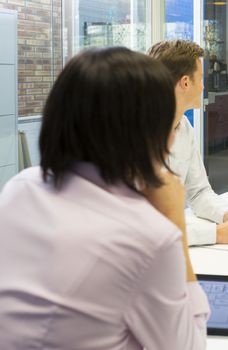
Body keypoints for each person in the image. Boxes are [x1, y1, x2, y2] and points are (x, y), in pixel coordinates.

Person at [0, 47, 209, 349]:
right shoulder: (150, 238)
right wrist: (173, 221)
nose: (173, 133)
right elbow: (189, 346)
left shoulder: (20, 189)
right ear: (144, 129)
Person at [148, 40, 228, 246]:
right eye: (201, 78)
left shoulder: (183, 126)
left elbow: (199, 192)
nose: (203, 86)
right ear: (186, 83)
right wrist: (217, 233)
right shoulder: (132, 135)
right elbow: (146, 225)